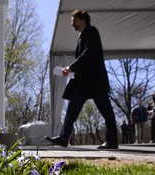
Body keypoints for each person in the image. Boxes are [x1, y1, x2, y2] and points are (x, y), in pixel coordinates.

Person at [45, 10, 118, 150]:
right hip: (82, 82)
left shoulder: (91, 31)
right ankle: (63, 138)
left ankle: (112, 141)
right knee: (72, 110)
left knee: (106, 112)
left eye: (74, 20)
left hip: (95, 81)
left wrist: (71, 67)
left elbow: (89, 52)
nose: (72, 23)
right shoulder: (82, 36)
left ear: (83, 19)